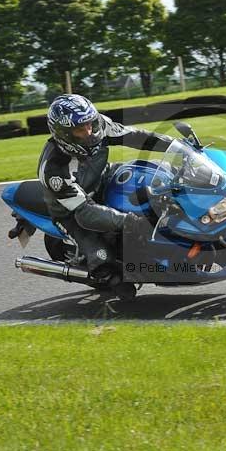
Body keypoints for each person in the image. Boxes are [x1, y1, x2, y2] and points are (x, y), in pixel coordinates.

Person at [38, 94, 173, 298]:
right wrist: (129, 221)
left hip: (103, 177)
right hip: (71, 210)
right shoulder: (53, 169)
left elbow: (135, 136)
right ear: (63, 133)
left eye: (89, 124)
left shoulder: (98, 125)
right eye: (80, 129)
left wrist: (174, 146)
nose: (89, 131)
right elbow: (85, 212)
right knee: (101, 256)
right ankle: (111, 277)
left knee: (155, 172)